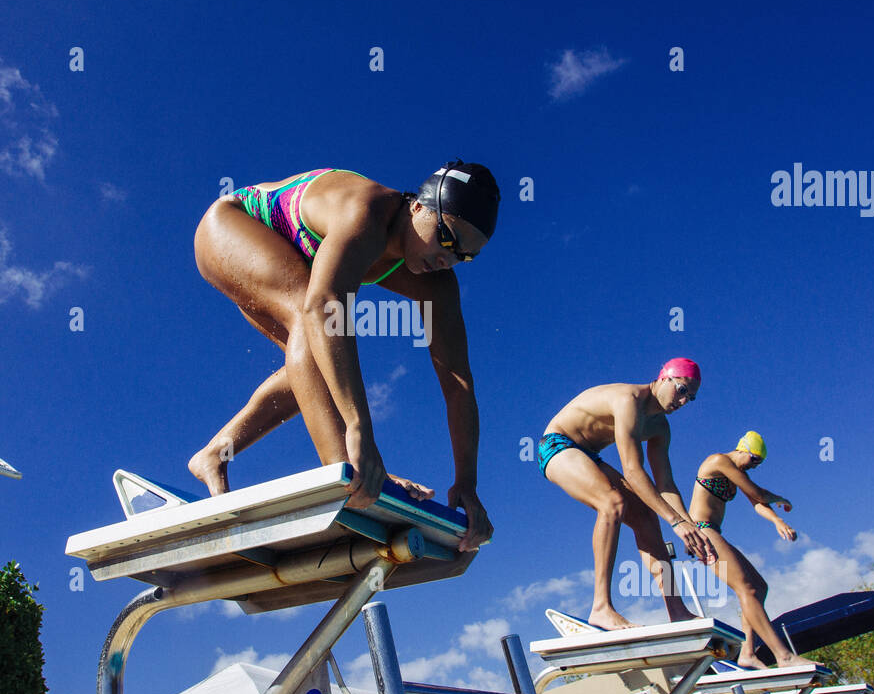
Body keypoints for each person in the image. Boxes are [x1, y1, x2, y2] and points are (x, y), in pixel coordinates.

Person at [190, 162, 500, 551]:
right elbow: (322, 304)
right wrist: (359, 433)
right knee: (313, 317)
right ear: (419, 207)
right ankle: (349, 475)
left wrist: (467, 484)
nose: (447, 258)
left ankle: (215, 454)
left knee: (314, 363)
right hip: (234, 227)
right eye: (446, 238)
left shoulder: (436, 282)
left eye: (465, 256)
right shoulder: (367, 212)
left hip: (294, 262)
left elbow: (458, 382)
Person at [539, 358, 711, 629]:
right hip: (557, 444)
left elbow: (665, 484)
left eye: (691, 398)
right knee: (612, 502)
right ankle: (601, 607)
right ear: (664, 378)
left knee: (646, 517)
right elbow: (632, 471)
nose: (683, 402)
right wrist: (676, 522)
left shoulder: (659, 427)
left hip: (589, 456)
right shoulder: (628, 399)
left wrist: (689, 525)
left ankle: (677, 610)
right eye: (681, 390)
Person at [688, 431, 813, 668]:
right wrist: (780, 497)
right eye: (754, 459)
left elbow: (756, 502)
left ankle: (747, 652)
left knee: (759, 587)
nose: (755, 466)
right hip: (702, 531)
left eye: (760, 463)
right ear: (742, 448)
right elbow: (758, 493)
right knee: (747, 588)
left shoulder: (738, 471)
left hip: (713, 531)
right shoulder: (718, 461)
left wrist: (777, 520)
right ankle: (783, 656)